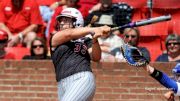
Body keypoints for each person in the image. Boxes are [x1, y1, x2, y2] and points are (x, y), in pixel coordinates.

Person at [49, 8, 111, 101]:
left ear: (77, 22)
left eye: (66, 20)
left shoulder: (86, 40)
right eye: (61, 20)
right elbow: (69, 34)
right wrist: (95, 29)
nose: (61, 23)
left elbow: (96, 57)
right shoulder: (56, 37)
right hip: (62, 83)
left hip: (82, 78)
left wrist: (95, 39)